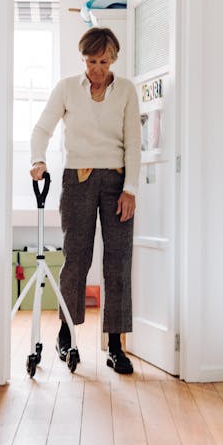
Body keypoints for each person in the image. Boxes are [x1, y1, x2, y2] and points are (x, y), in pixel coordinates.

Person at [29, 27, 141, 374]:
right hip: (76, 178)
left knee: (118, 261)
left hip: (116, 180)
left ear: (114, 59)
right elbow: (41, 129)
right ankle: (67, 334)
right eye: (91, 61)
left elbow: (134, 142)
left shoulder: (125, 91)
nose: (96, 69)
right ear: (83, 59)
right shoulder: (66, 88)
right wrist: (38, 159)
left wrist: (131, 189)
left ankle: (115, 345)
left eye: (103, 61)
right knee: (76, 257)